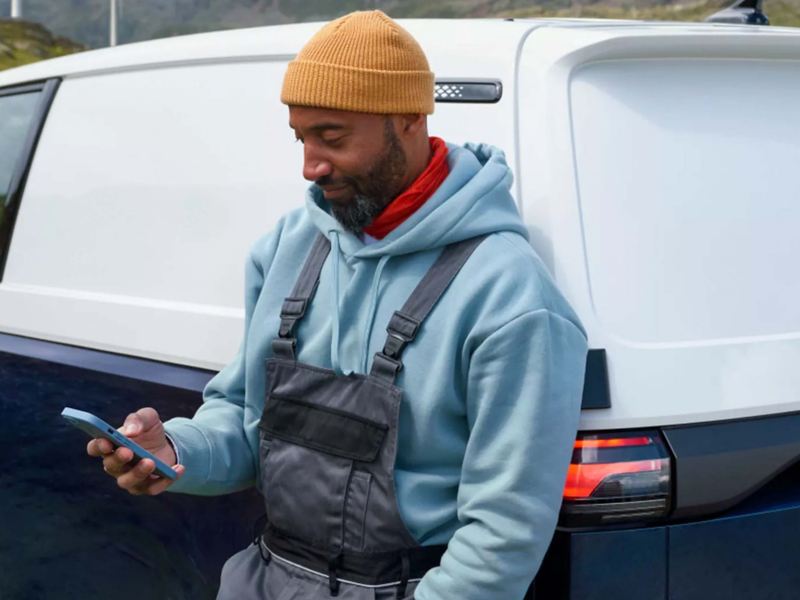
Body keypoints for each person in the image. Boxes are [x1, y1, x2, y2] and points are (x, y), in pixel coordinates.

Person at [87, 10, 588, 600]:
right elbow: (246, 422)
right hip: (262, 578)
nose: (310, 165)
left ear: (409, 118)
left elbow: (504, 536)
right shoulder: (287, 247)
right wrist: (174, 451)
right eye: (301, 137)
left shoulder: (510, 295)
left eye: (332, 137)